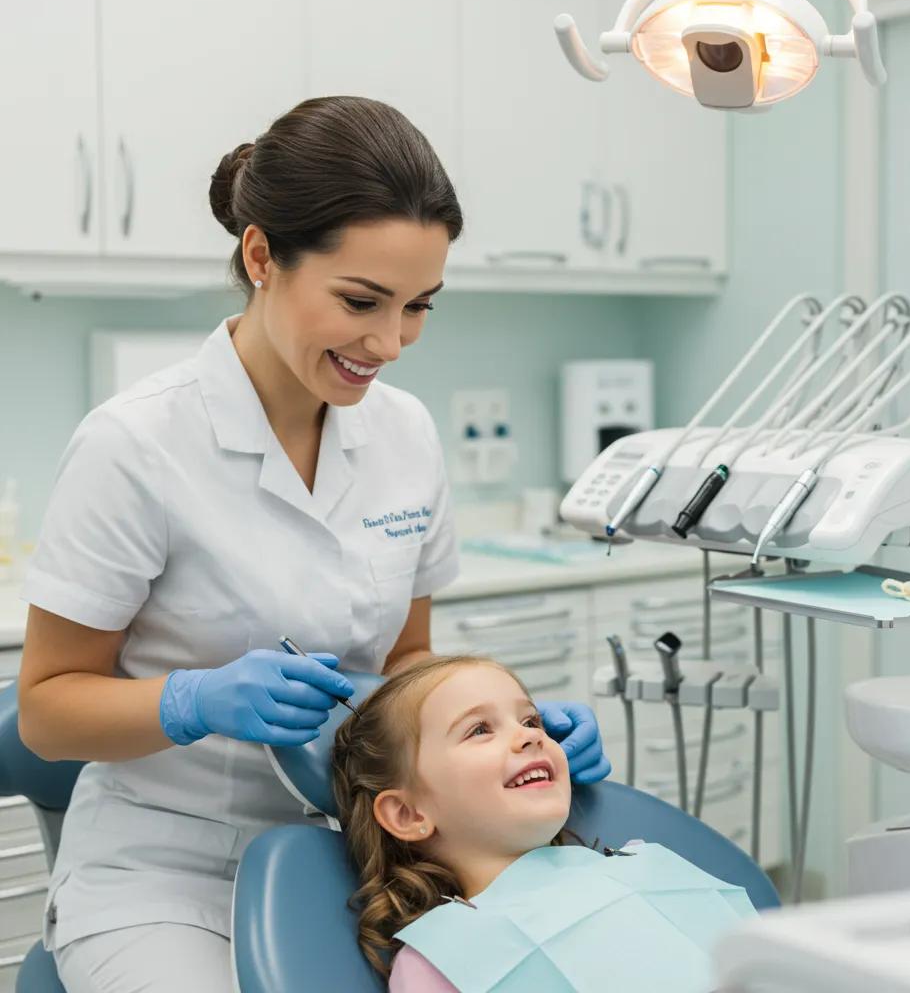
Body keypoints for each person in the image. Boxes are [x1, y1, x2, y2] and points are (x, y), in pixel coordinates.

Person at [16, 95, 609, 993]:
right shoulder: (134, 445)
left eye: (418, 307)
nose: (391, 342)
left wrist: (508, 728)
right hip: (166, 874)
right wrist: (193, 701)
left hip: (356, 863)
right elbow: (46, 712)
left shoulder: (405, 434)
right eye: (362, 301)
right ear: (262, 257)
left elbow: (407, 660)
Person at [332, 655, 757, 991]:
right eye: (479, 729)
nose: (531, 736)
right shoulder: (443, 960)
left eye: (529, 720)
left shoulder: (641, 871)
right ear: (409, 814)